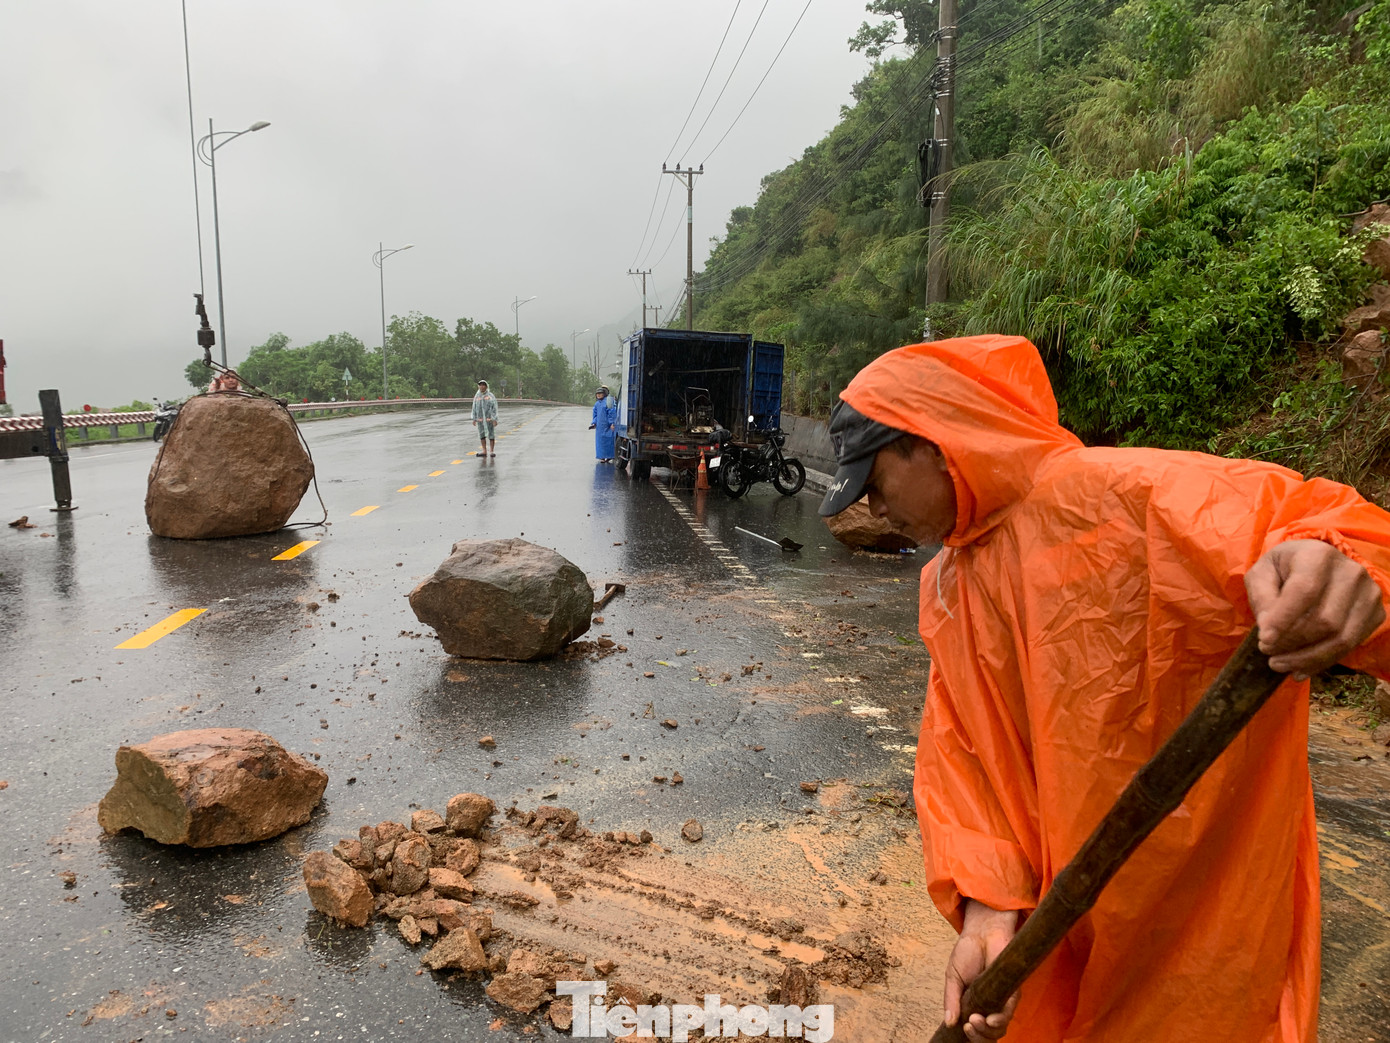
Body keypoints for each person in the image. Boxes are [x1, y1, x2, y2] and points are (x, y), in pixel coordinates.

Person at [818, 334, 1390, 1043]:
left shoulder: (1138, 497)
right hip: (1056, 959)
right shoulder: (948, 588)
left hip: (1201, 945)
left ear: (930, 444)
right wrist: (989, 915)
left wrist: (1344, 567)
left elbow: (1322, 526)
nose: (875, 510)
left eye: (874, 484)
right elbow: (965, 762)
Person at [590, 385, 618, 463]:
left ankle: (610, 456)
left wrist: (612, 423)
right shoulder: (596, 404)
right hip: (600, 427)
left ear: (604, 393)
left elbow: (611, 413)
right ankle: (601, 457)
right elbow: (595, 415)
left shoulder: (608, 401)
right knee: (600, 442)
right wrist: (594, 423)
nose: (598, 395)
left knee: (609, 441)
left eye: (600, 393)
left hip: (608, 426)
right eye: (597, 393)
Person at [471, 379, 498, 457]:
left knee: (491, 435)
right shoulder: (477, 396)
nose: (482, 387)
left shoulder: (490, 396)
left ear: (486, 386)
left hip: (489, 419)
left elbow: (494, 407)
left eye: (483, 385)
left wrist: (494, 419)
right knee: (481, 434)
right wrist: (474, 418)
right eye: (480, 385)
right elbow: (474, 407)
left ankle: (492, 451)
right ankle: (484, 451)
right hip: (480, 419)